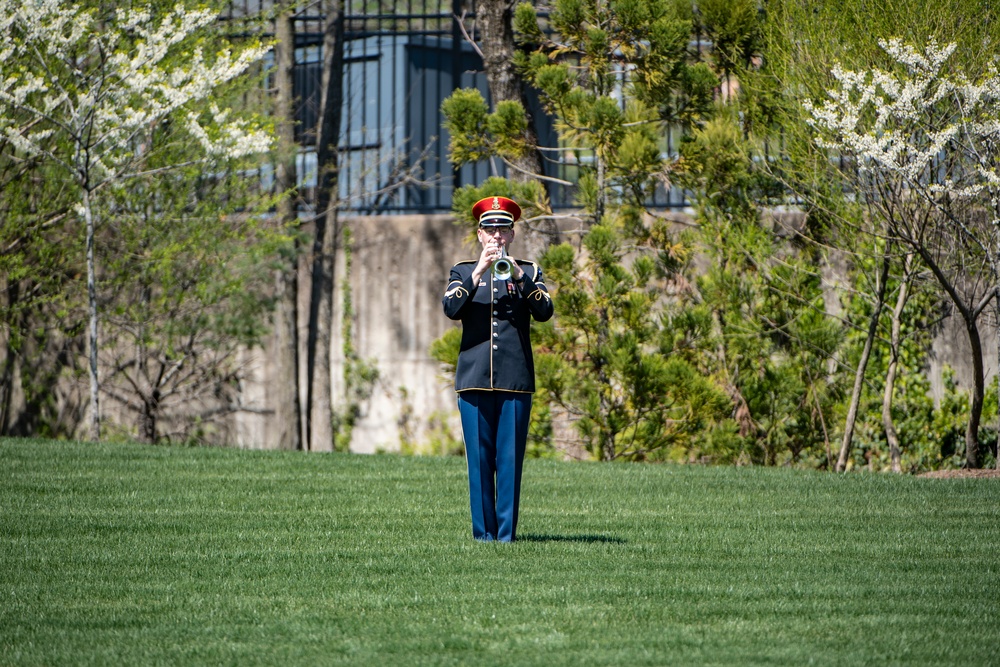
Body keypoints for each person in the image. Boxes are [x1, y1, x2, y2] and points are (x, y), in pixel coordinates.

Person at [442, 195, 554, 542]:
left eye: (503, 230)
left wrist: (520, 276)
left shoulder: (530, 271)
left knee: (509, 463)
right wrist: (478, 272)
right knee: (478, 464)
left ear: (512, 234)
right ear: (479, 234)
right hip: (474, 380)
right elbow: (451, 308)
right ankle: (483, 536)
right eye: (490, 230)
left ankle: (506, 536)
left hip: (515, 381)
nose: (496, 237)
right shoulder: (462, 271)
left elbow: (545, 312)